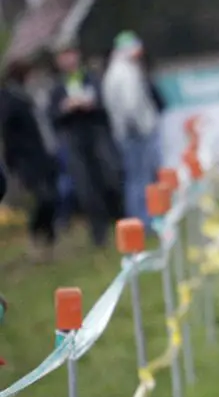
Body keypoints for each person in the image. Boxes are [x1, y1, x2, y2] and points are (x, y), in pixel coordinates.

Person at [47, 40, 123, 248]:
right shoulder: (56, 89)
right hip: (75, 144)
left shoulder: (93, 79)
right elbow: (52, 117)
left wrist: (91, 105)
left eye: (70, 54)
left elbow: (107, 107)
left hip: (97, 138)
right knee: (87, 190)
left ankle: (120, 223)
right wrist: (65, 108)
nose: (67, 59)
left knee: (111, 180)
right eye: (62, 56)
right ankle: (99, 235)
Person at [0, 57, 63, 261]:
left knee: (53, 197)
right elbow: (8, 132)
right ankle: (36, 235)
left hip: (43, 155)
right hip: (26, 160)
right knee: (44, 198)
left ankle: (50, 241)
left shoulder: (30, 97)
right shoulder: (9, 99)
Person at [101, 31, 163, 231]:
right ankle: (143, 222)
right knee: (140, 180)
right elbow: (130, 106)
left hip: (127, 133)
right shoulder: (125, 71)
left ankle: (139, 221)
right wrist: (140, 128)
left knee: (136, 178)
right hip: (135, 134)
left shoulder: (114, 71)